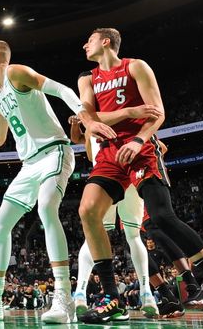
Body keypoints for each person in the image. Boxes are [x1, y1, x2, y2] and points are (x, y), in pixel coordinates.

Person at [77, 28, 203, 325]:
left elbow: (157, 113)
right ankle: (111, 298)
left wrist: (139, 139)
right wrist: (129, 111)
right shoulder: (87, 79)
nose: (84, 45)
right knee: (87, 211)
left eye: (89, 40)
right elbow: (88, 118)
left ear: (105, 41)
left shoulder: (136, 66)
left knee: (162, 218)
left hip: (140, 148)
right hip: (109, 152)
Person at [0, 40, 115, 322]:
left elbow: (62, 89)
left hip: (54, 152)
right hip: (29, 164)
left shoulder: (16, 72)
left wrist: (88, 119)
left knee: (47, 207)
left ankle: (64, 298)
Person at [67, 90, 160, 319]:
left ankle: (79, 292)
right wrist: (76, 124)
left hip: (111, 172)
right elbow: (78, 139)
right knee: (131, 235)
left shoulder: (101, 114)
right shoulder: (93, 117)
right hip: (110, 172)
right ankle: (147, 294)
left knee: (98, 230)